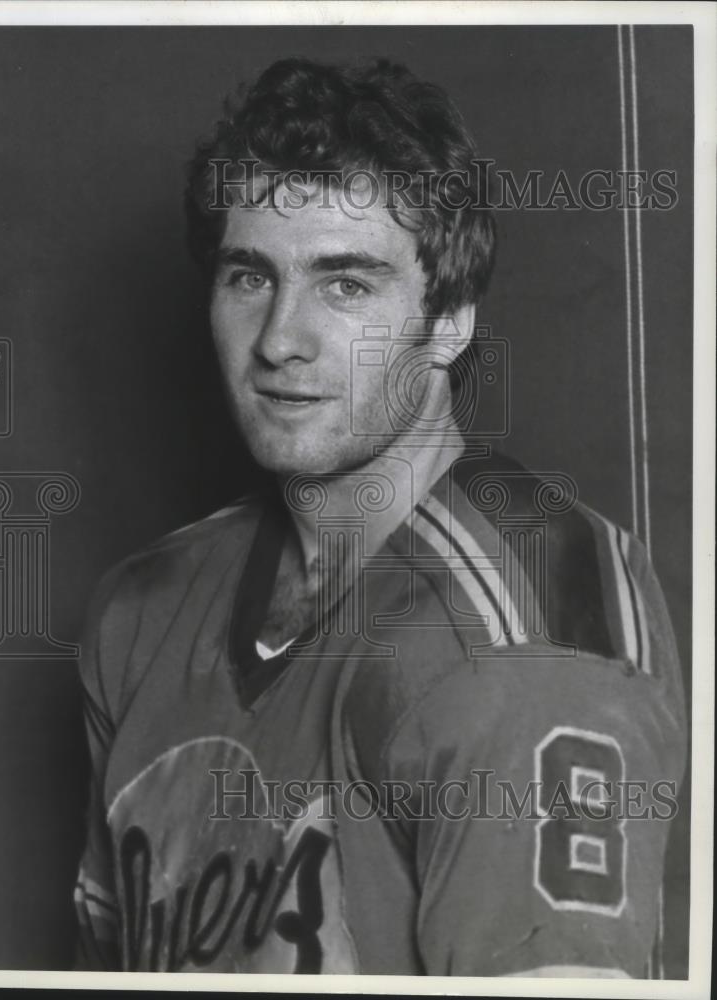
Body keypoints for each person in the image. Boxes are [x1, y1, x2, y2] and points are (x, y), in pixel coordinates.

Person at [73, 58, 686, 976]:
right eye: (249, 277)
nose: (281, 338)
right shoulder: (143, 611)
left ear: (448, 322)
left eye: (346, 285)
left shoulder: (522, 623)